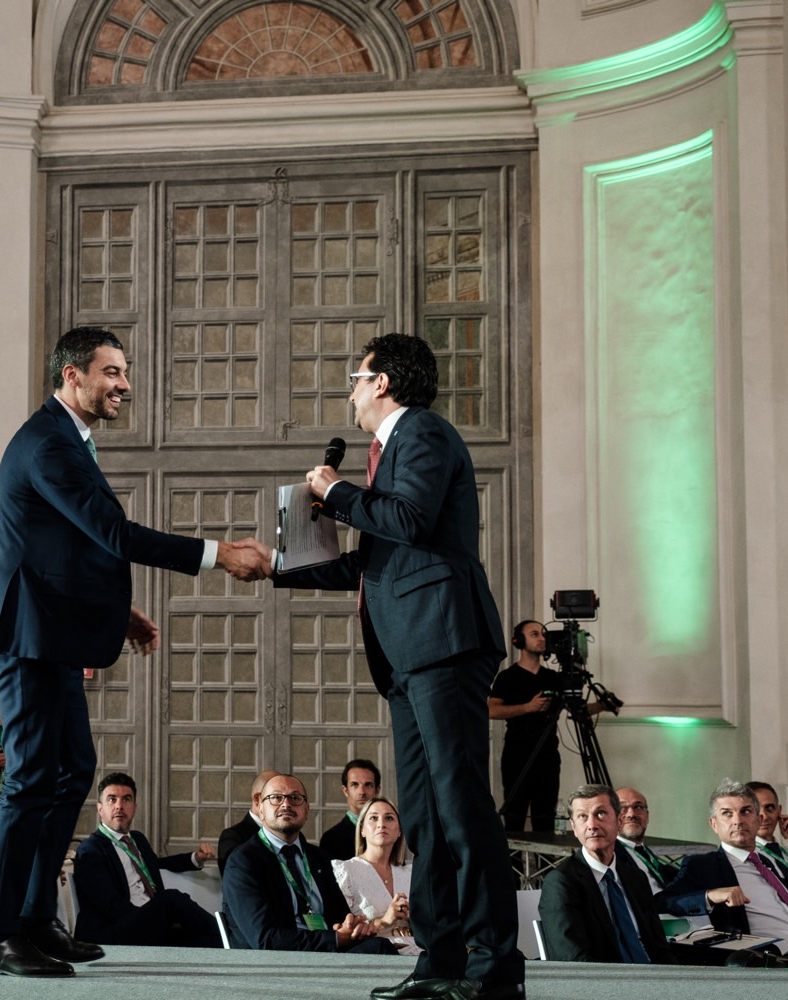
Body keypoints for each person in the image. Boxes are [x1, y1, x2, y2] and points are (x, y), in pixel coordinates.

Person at [0, 326, 269, 977]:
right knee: (30, 778)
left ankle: (35, 918)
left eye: (124, 372)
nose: (124, 384)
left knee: (74, 768)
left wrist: (118, 612)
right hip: (24, 633)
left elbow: (68, 545)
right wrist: (218, 554)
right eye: (111, 372)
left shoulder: (69, 439)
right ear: (72, 375)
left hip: (55, 631)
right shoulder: (47, 443)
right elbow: (111, 532)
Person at [256, 333, 523, 1000]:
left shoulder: (421, 432)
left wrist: (336, 490)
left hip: (443, 641)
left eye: (356, 377)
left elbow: (408, 519)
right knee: (426, 819)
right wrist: (277, 567)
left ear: (381, 383)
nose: (350, 391)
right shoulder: (389, 455)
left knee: (462, 810)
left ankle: (494, 968)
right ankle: (441, 960)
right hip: (408, 654)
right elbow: (372, 563)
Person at [656, 780, 788, 968]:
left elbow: (787, 893)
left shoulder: (766, 861)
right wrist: (710, 896)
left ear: (758, 820)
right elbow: (663, 901)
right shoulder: (703, 865)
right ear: (714, 824)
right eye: (727, 813)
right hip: (777, 965)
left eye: (745, 811)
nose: (737, 821)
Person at [221, 773, 392, 954]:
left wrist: (355, 927)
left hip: (327, 954)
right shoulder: (243, 861)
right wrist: (335, 938)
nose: (286, 804)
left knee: (382, 946)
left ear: (307, 810)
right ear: (261, 809)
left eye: (295, 798)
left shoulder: (318, 858)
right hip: (276, 960)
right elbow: (265, 939)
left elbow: (341, 918)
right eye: (276, 798)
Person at [71, 772, 220, 948]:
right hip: (113, 930)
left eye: (126, 799)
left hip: (147, 923)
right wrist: (152, 916)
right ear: (100, 808)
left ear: (134, 807)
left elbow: (156, 864)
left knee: (205, 941)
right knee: (171, 899)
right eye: (112, 799)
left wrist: (195, 858)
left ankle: (232, 946)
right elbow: (108, 906)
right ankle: (229, 936)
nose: (119, 806)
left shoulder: (137, 839)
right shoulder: (91, 849)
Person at [538, 784, 673, 964]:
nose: (592, 825)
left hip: (653, 974)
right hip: (604, 979)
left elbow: (659, 947)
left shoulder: (635, 877)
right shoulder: (561, 883)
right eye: (582, 817)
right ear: (574, 827)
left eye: (600, 814)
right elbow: (574, 960)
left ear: (619, 822)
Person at [487, 620, 562, 833]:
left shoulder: (553, 678)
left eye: (544, 634)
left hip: (548, 755)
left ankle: (546, 856)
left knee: (545, 817)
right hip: (517, 755)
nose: (542, 639)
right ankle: (512, 856)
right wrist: (529, 707)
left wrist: (602, 705)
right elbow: (491, 710)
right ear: (519, 640)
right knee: (515, 815)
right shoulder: (507, 677)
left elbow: (577, 709)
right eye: (535, 634)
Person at [332, 797, 419, 954]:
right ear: (362, 830)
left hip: (418, 953)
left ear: (399, 831)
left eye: (389, 818)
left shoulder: (411, 873)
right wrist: (384, 921)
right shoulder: (345, 870)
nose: (381, 824)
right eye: (373, 818)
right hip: (376, 956)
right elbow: (342, 932)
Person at [614, 786, 680, 893]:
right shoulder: (611, 854)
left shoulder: (644, 851)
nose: (631, 814)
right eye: (622, 808)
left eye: (638, 807)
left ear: (647, 816)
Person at [217, 769, 279, 873]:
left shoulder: (295, 836)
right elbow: (235, 876)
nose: (286, 804)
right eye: (277, 797)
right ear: (257, 799)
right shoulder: (232, 837)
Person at [320, 759, 381, 861]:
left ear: (377, 791)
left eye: (368, 785)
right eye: (355, 785)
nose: (361, 792)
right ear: (345, 791)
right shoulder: (331, 838)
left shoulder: (387, 832)